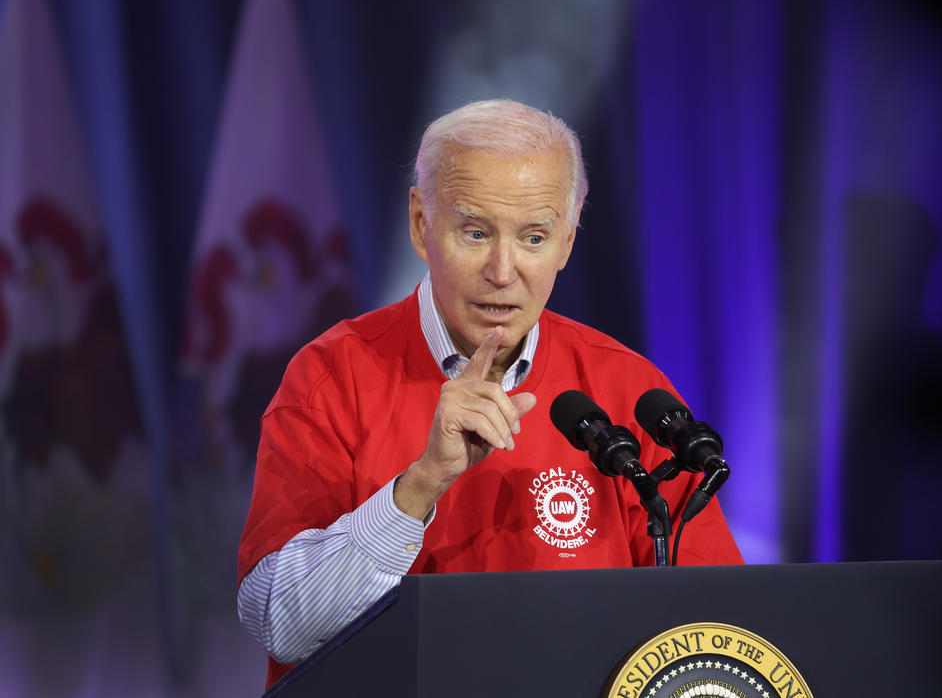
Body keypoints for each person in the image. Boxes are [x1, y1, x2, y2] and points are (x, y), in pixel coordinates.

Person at [237, 100, 743, 687]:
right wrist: (420, 485)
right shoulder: (331, 378)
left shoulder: (628, 389)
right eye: (475, 232)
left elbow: (718, 634)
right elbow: (281, 622)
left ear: (568, 243)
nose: (503, 271)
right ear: (422, 225)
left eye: (533, 238)